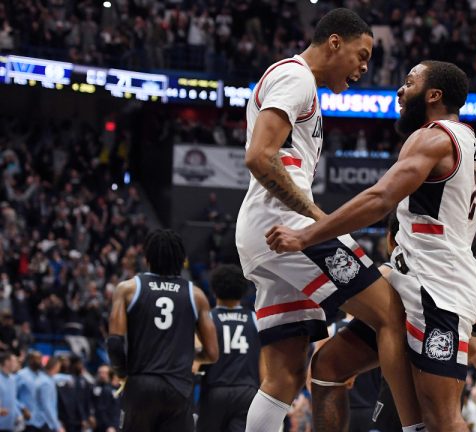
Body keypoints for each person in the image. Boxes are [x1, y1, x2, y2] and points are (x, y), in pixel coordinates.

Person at [266, 60, 476, 431]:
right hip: (413, 282)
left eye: (409, 83)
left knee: (441, 418)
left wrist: (307, 234)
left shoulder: (433, 138)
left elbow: (380, 198)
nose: (400, 92)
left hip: (440, 291)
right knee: (328, 367)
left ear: (433, 95)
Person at [235, 8, 422, 432]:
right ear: (334, 42)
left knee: (283, 375)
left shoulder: (303, 88)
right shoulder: (295, 77)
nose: (363, 67)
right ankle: (416, 426)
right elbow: (259, 157)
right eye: (362, 54)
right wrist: (320, 221)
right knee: (392, 314)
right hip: (287, 226)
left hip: (263, 232)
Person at [106, 229, 218, 432]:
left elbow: (114, 343)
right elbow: (212, 353)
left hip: (141, 385)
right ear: (182, 259)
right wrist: (189, 358)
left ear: (147, 258)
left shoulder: (128, 289)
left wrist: (122, 374)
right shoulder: (196, 295)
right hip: (178, 388)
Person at [197, 264, 261, 432]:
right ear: (243, 290)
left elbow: (195, 361)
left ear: (213, 290)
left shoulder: (208, 319)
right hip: (247, 391)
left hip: (215, 391)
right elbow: (265, 362)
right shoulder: (255, 319)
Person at [27, 356, 61, 432]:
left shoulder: (47, 378)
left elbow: (58, 377)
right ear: (54, 366)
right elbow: (47, 405)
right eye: (59, 366)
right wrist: (57, 426)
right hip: (42, 422)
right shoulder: (45, 383)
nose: (59, 369)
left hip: (42, 421)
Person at [90, 365, 120, 432]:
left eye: (104, 373)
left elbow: (116, 409)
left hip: (114, 424)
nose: (102, 375)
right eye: (100, 372)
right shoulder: (96, 387)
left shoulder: (115, 389)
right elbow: (102, 409)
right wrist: (109, 426)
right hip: (103, 424)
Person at [16, 351, 42, 428]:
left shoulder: (42, 376)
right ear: (30, 360)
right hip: (27, 419)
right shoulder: (21, 375)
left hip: (41, 420)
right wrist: (22, 408)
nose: (39, 361)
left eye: (40, 358)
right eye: (37, 359)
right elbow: (13, 395)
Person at [0, 352, 20, 432]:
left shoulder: (13, 379)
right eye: (14, 361)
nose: (16, 364)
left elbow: (13, 400)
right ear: (7, 362)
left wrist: (18, 415)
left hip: (10, 425)